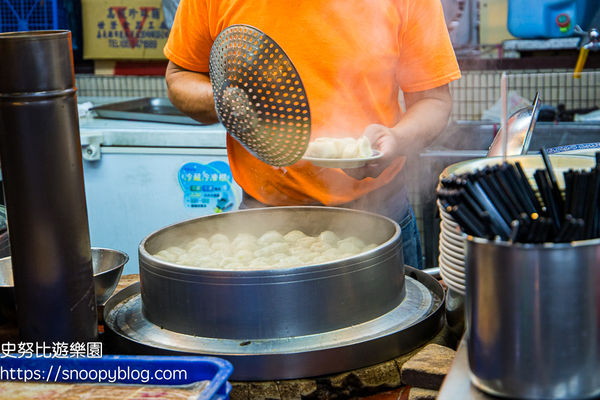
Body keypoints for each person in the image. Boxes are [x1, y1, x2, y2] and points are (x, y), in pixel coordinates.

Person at [163, 0, 461, 270]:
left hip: (380, 215)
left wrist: (396, 141)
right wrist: (224, 100)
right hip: (261, 222)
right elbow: (180, 76)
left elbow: (432, 101)